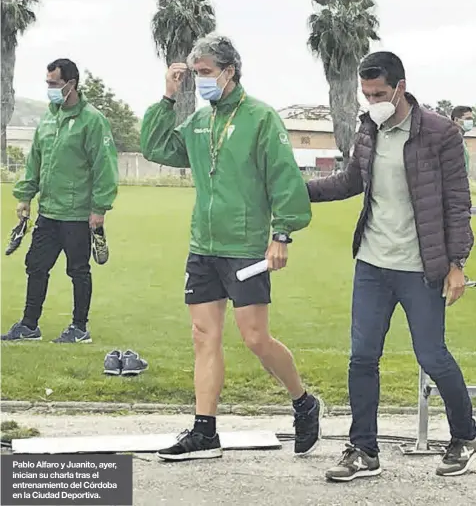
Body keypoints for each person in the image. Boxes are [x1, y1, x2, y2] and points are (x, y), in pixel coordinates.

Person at [141, 33, 321, 461]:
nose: (200, 81)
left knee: (256, 339)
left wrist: (281, 234)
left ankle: (303, 401)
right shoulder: (199, 122)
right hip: (203, 245)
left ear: (229, 72)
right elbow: (155, 147)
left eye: (205, 73)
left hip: (244, 247)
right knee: (204, 336)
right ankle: (205, 432)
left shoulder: (260, 118)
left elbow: (284, 178)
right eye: (195, 74)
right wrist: (167, 98)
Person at [306, 51, 475, 481]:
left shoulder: (441, 133)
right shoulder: (368, 130)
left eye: (379, 93)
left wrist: (457, 264)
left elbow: (458, 203)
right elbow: (349, 182)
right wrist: (296, 189)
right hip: (372, 264)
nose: (372, 101)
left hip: (421, 267)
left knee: (432, 355)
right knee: (362, 357)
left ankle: (465, 438)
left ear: (400, 86)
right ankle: (364, 450)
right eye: (366, 94)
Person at [1, 58, 119, 344]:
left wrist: (99, 208)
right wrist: (25, 196)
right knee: (36, 266)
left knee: (78, 270)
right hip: (49, 211)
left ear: (71, 84)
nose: (50, 88)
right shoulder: (49, 118)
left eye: (54, 83)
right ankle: (29, 326)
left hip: (78, 213)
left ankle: (79, 328)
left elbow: (105, 166)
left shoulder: (92, 120)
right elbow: (35, 161)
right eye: (48, 83)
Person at [451, 105, 473, 174]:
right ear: (456, 120)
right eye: (467, 119)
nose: (470, 122)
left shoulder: (461, 140)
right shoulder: (451, 140)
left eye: (471, 119)